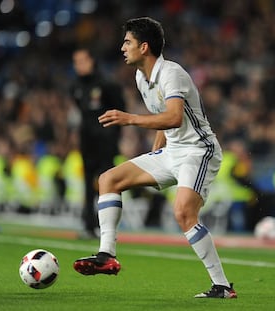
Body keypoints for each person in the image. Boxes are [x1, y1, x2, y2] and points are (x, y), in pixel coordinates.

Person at [73, 17, 237, 299]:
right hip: (171, 151)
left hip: (199, 150)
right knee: (108, 179)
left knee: (184, 213)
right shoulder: (141, 77)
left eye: (128, 42)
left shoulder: (172, 74)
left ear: (144, 47)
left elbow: (173, 117)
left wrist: (130, 119)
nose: (122, 47)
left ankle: (222, 286)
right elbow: (165, 123)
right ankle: (106, 255)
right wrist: (153, 155)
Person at [70, 48, 125, 238]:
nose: (79, 65)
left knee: (107, 184)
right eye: (76, 62)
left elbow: (120, 109)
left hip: (105, 142)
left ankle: (108, 227)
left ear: (92, 61)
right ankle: (88, 225)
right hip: (87, 142)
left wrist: (113, 137)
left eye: (83, 60)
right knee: (87, 183)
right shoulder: (76, 86)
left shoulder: (107, 84)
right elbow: (83, 113)